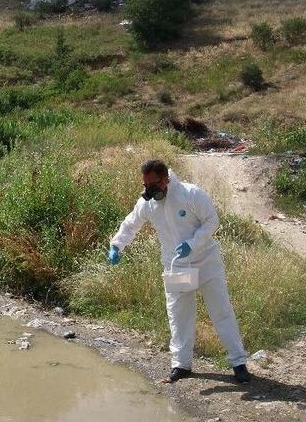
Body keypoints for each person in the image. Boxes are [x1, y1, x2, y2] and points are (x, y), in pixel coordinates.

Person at [107, 160, 251, 384]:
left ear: (165, 179)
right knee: (179, 315)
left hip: (206, 262)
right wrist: (116, 245)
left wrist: (192, 244)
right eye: (145, 185)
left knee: (220, 311)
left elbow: (212, 221)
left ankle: (238, 363)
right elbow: (131, 223)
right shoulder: (148, 204)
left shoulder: (191, 194)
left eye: (153, 184)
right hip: (176, 265)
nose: (148, 190)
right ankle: (181, 365)